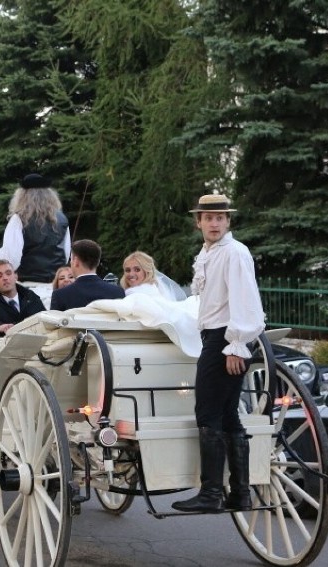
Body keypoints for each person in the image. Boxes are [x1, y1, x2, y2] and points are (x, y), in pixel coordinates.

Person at [172, 194, 265, 514]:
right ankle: (239, 493)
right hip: (216, 335)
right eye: (208, 218)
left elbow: (245, 299)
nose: (214, 223)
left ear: (228, 221)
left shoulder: (235, 253)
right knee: (228, 416)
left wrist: (235, 344)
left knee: (208, 413)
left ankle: (211, 492)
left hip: (224, 338)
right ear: (198, 222)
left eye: (220, 218)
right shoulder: (210, 252)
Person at [0, 173, 71, 284]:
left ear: (22, 196)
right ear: (50, 196)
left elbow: (11, 258)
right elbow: (66, 254)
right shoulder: (62, 219)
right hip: (56, 285)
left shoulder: (19, 219)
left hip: (28, 284)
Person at [0, 259, 46, 337]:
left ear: (15, 277)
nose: (5, 278)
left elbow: (44, 318)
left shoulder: (31, 297)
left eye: (8, 273)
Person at [50, 239, 125, 310]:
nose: (70, 263)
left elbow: (52, 323)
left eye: (71, 259)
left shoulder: (60, 295)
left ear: (76, 261)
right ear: (98, 262)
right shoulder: (117, 292)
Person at [121, 250, 187, 301]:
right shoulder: (155, 288)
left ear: (147, 272)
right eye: (127, 270)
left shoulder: (136, 292)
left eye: (137, 270)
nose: (131, 274)